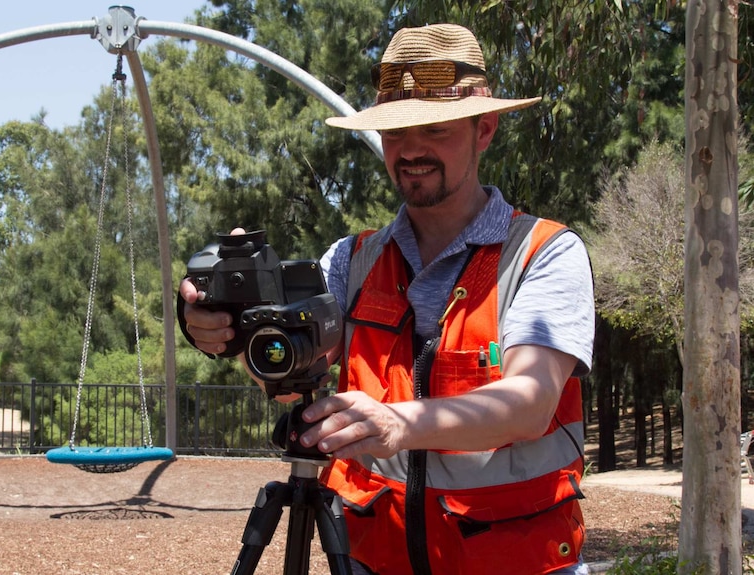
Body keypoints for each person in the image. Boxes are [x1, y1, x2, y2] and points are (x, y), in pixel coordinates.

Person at [179, 23, 594, 575]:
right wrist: (229, 328)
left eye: (435, 129)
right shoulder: (350, 261)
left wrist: (398, 424)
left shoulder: (544, 253)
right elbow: (286, 375)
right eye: (396, 133)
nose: (412, 150)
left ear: (484, 130)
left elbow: (531, 402)